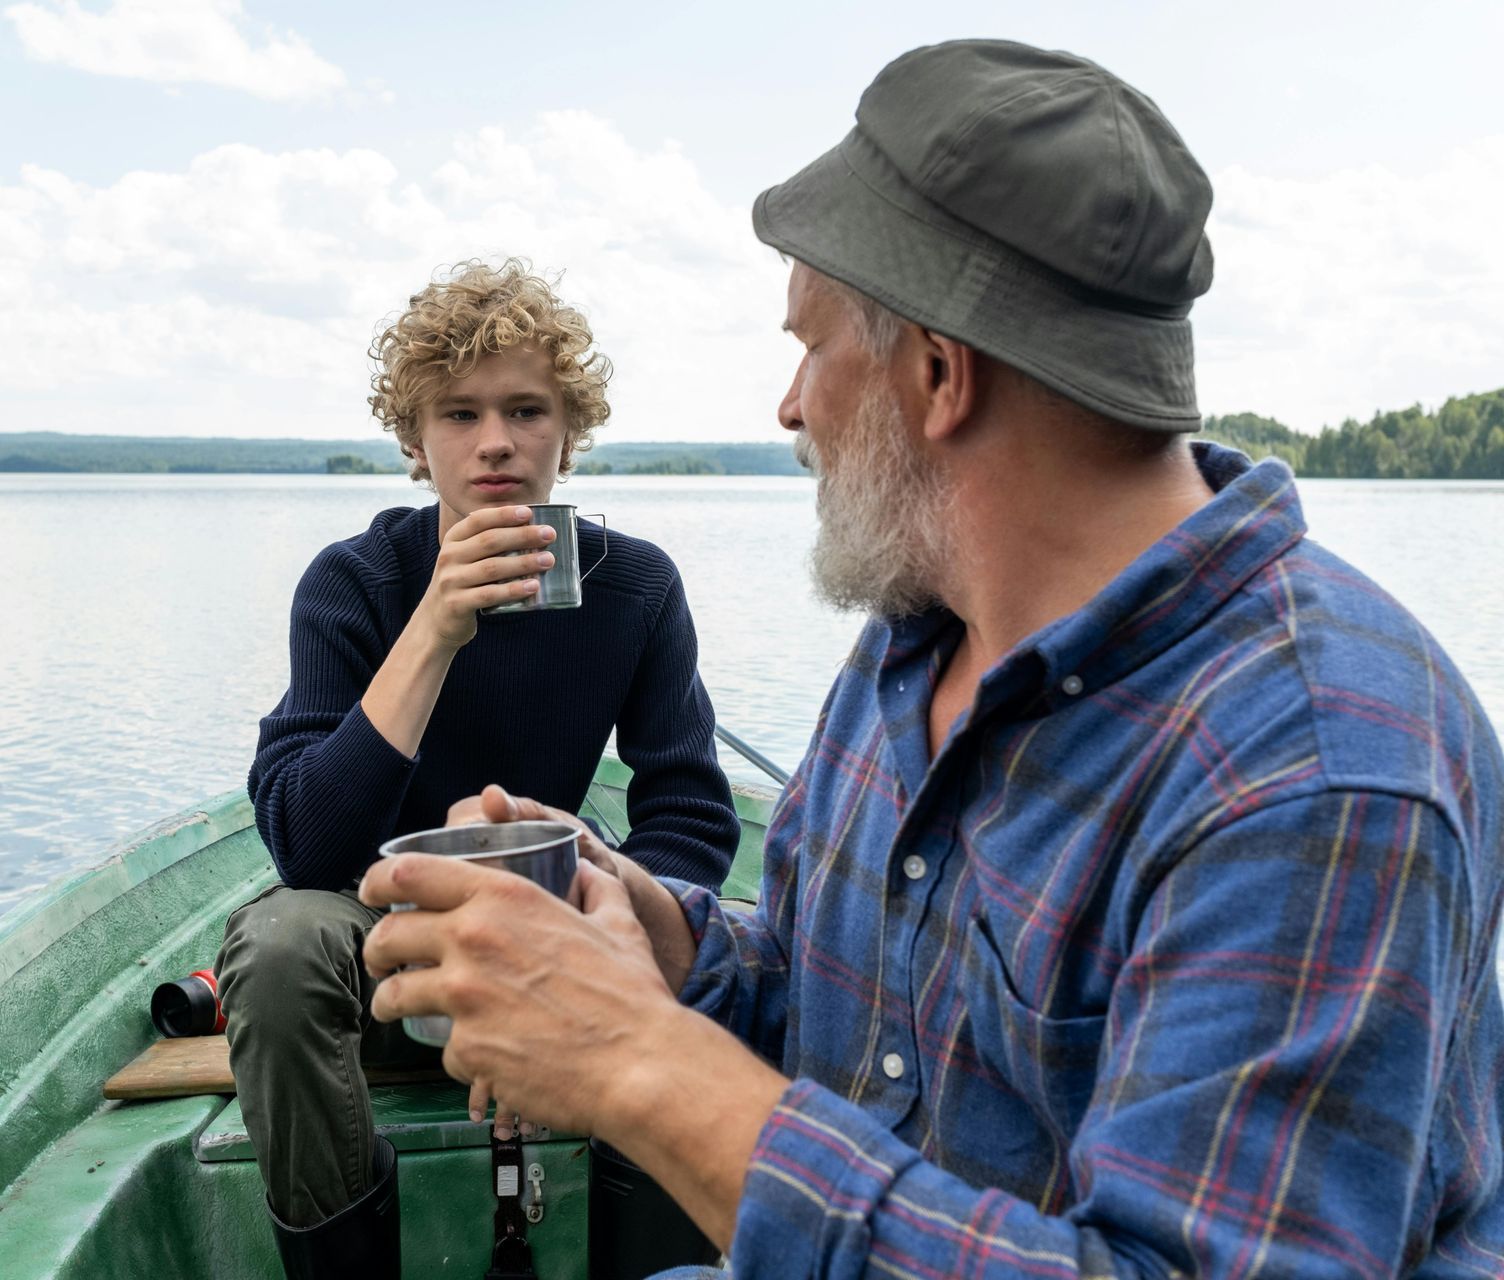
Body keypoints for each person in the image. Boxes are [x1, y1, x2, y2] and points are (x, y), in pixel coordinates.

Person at [358, 42, 1504, 1278]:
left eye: (810, 346)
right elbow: (817, 995)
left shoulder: (1314, 764)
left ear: (938, 373)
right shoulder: (916, 640)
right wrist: (649, 927)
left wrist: (640, 1064)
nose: (789, 407)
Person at [215, 259, 740, 1278]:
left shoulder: (633, 586)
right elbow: (306, 843)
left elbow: (686, 813)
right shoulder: (355, 582)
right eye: (458, 413)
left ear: (568, 431)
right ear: (415, 444)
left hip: (562, 928)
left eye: (525, 408)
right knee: (275, 948)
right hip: (387, 934)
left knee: (701, 950)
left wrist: (608, 918)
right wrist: (436, 625)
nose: (494, 440)